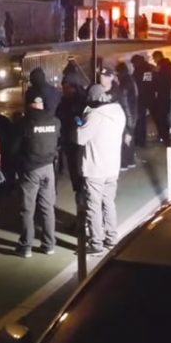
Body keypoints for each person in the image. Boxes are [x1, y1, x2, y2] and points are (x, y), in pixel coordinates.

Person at [77, 84, 125, 255]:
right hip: (112, 167)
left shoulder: (94, 115)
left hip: (95, 168)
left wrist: (81, 120)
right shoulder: (119, 112)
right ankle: (111, 238)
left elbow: (80, 138)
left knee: (94, 206)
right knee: (109, 203)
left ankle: (96, 243)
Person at [16, 91, 60, 258]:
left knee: (27, 209)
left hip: (30, 169)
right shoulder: (55, 121)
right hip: (49, 168)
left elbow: (15, 147)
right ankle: (49, 245)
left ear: (28, 104)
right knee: (48, 208)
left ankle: (26, 246)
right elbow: (58, 141)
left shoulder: (24, 122)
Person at [56, 79, 87, 207]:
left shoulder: (78, 103)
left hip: (77, 142)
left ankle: (83, 215)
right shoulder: (66, 101)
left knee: (79, 178)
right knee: (76, 176)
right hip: (70, 140)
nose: (63, 90)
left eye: (66, 87)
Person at [131, 54, 158, 146]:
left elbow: (144, 84)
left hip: (143, 97)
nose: (133, 65)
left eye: (133, 64)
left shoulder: (143, 70)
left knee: (141, 119)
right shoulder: (147, 68)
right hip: (148, 96)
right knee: (146, 118)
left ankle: (141, 140)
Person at [115, 62, 139, 169]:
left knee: (124, 137)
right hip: (133, 111)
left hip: (127, 113)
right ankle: (130, 161)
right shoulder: (130, 79)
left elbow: (124, 100)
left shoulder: (124, 83)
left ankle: (124, 163)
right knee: (129, 137)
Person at [153, 51, 171, 143]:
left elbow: (158, 80)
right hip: (169, 93)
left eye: (154, 58)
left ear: (158, 57)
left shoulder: (160, 66)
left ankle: (164, 137)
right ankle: (166, 136)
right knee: (166, 115)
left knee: (161, 116)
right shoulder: (169, 64)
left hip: (162, 94)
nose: (154, 61)